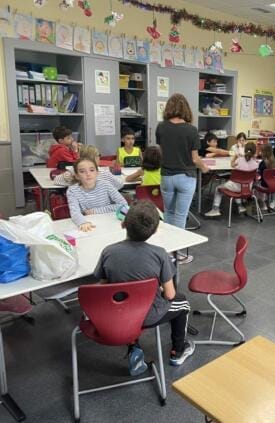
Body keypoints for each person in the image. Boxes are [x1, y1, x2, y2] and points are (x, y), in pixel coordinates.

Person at [93, 200, 195, 375]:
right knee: (183, 303)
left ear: (123, 224)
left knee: (126, 300)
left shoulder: (108, 251)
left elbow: (103, 285)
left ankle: (134, 348)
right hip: (148, 315)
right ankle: (178, 351)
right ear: (155, 230)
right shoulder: (160, 254)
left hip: (116, 314)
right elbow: (170, 295)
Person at [156, 93, 209, 263]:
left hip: (166, 176)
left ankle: (167, 252)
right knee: (180, 216)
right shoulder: (191, 130)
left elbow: (162, 152)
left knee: (169, 213)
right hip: (186, 177)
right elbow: (195, 159)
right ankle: (178, 254)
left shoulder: (161, 127)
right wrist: (204, 167)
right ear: (186, 109)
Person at [66, 158, 128, 232]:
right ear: (77, 176)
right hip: (89, 225)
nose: (88, 174)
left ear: (97, 173)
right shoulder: (72, 191)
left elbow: (123, 205)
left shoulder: (106, 184)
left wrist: (95, 211)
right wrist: (82, 222)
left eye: (92, 170)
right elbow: (75, 212)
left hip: (108, 224)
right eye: (82, 171)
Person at [205, 142, 259, 217]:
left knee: (218, 188)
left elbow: (232, 165)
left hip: (235, 186)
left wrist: (235, 156)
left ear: (245, 150)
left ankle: (215, 209)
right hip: (247, 188)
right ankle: (240, 206)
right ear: (255, 151)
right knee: (237, 185)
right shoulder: (256, 163)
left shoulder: (239, 160)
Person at [53, 145, 123, 190]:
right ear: (95, 157)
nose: (99, 157)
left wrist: (71, 172)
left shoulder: (75, 173)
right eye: (99, 155)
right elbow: (119, 184)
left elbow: (56, 180)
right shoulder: (103, 173)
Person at [255, 143, 275, 211]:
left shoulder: (262, 163)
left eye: (261, 151)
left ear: (264, 152)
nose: (260, 152)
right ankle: (270, 201)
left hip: (264, 185)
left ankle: (262, 202)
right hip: (273, 185)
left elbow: (259, 174)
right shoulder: (273, 161)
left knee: (254, 184)